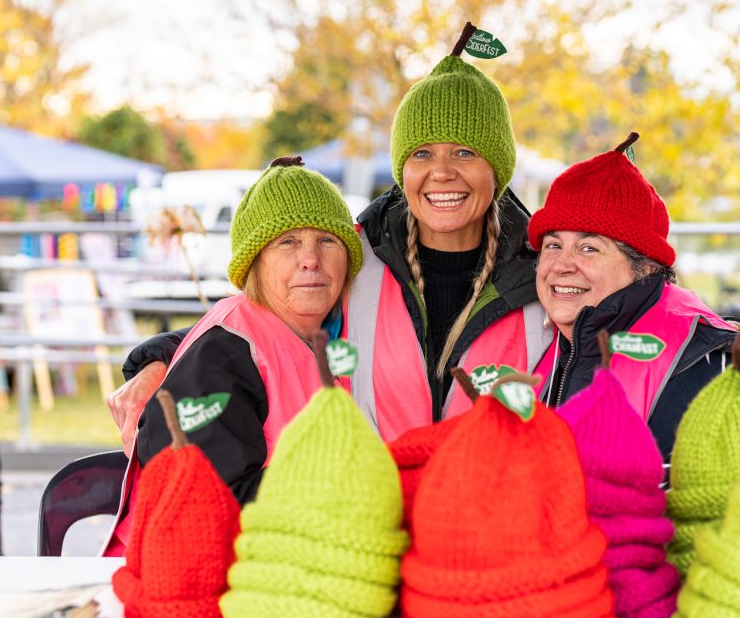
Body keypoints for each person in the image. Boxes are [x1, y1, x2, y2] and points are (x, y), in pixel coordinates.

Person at [107, 25, 548, 449]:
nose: (442, 172)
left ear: (498, 168)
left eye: (465, 152)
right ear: (402, 168)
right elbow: (261, 320)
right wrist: (158, 360)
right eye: (422, 153)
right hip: (373, 516)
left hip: (494, 517)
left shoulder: (545, 271)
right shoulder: (358, 254)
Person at [102, 157, 362, 556]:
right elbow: (211, 506)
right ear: (254, 261)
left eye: (327, 240)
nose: (311, 259)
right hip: (183, 583)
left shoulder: (330, 331)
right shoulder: (223, 353)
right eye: (287, 242)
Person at [527, 134, 740, 461]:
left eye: (589, 248)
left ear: (643, 266)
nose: (561, 266)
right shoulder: (536, 345)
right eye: (553, 245)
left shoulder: (711, 366)